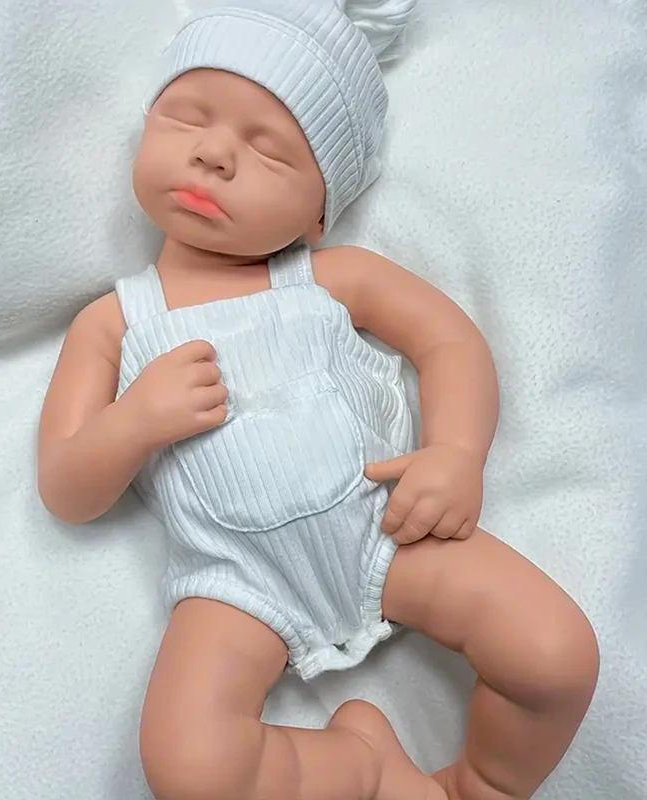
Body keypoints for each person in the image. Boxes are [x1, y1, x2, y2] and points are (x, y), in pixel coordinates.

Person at [37, 1, 599, 797]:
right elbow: (66, 488)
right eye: (186, 116)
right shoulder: (112, 324)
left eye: (269, 151)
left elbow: (448, 342)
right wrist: (134, 423)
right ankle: (363, 768)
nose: (213, 154)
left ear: (319, 212)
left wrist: (455, 452)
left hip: (386, 530)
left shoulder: (333, 278)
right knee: (190, 768)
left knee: (555, 656)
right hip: (235, 583)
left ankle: (485, 784)